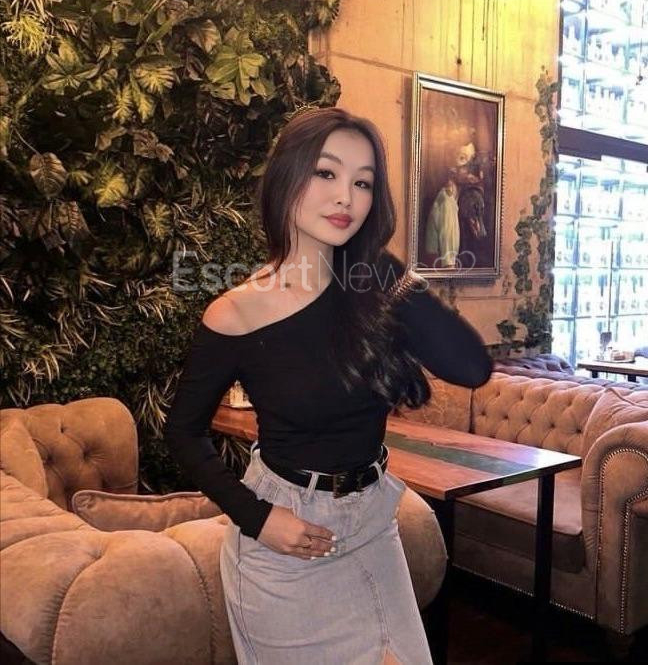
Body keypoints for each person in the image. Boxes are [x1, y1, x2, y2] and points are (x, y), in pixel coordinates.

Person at [163, 107, 493, 665]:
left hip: (373, 522)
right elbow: (183, 432)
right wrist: (257, 518)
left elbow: (471, 367)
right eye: (326, 173)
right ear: (288, 177)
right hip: (286, 536)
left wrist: (382, 267)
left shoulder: (371, 288)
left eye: (363, 183)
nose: (346, 197)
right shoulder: (237, 311)